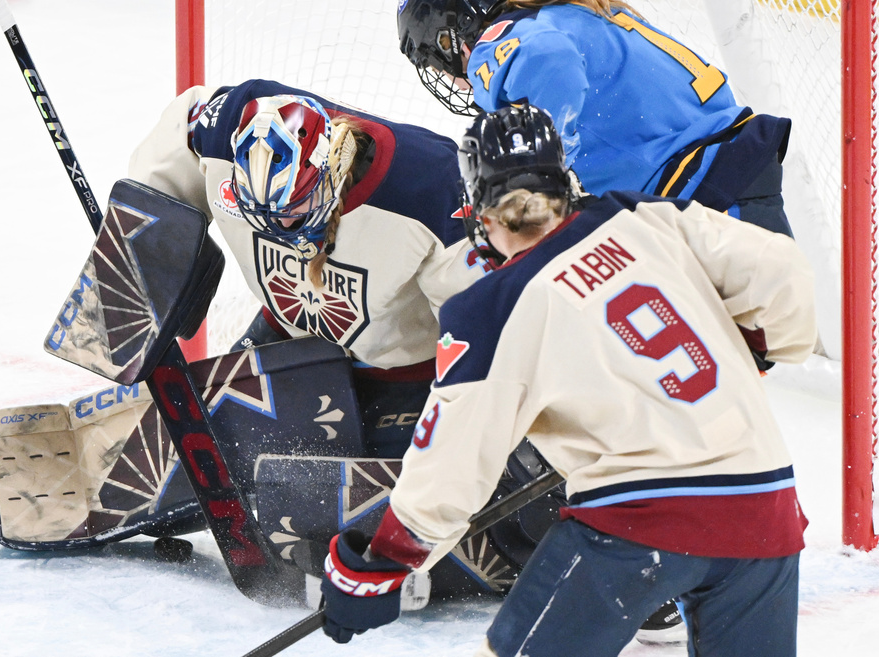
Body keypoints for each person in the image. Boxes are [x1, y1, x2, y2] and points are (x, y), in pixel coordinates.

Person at [319, 104, 817, 655]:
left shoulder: (491, 308)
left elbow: (453, 459)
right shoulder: (641, 215)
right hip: (765, 507)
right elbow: (778, 265)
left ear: (481, 212)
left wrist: (386, 561)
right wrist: (763, 346)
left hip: (635, 525)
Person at [129, 78, 488, 457]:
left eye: (294, 208)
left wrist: (470, 406)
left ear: (329, 169)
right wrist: (139, 249)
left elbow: (474, 319)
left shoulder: (431, 183)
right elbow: (182, 129)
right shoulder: (223, 127)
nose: (279, 228)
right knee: (197, 450)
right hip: (287, 335)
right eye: (263, 214)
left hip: (404, 370)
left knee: (367, 497)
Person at [397, 0, 793, 237]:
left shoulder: (496, 42)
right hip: (729, 173)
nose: (453, 80)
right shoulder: (562, 10)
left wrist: (549, 174)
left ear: (450, 40)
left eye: (437, 64)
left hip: (703, 190)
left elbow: (552, 62)